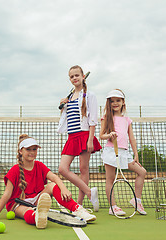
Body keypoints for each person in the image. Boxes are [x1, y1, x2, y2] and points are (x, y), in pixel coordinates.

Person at [0, 134, 96, 229]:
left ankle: (77, 210)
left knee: (53, 185)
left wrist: (63, 188)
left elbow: (55, 178)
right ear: (20, 151)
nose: (32, 152)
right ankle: (37, 217)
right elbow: (7, 194)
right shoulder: (14, 170)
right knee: (27, 212)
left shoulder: (39, 165)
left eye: (34, 149)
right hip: (18, 204)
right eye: (28, 149)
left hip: (37, 199)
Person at [57, 65, 101, 211]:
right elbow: (65, 118)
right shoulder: (69, 97)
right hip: (72, 137)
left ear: (83, 77)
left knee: (83, 169)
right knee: (63, 169)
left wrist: (90, 139)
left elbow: (93, 119)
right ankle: (90, 192)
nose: (75, 78)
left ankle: (79, 204)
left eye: (77, 75)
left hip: (84, 135)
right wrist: (63, 105)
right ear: (70, 80)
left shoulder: (90, 95)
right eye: (72, 76)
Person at [99, 89, 147, 215]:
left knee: (142, 172)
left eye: (118, 100)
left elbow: (131, 138)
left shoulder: (127, 120)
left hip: (125, 153)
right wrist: (109, 134)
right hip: (111, 151)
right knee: (110, 179)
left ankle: (137, 201)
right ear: (108, 103)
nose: (115, 103)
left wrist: (136, 154)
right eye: (112, 101)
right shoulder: (106, 118)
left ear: (123, 102)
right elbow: (101, 135)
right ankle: (113, 206)